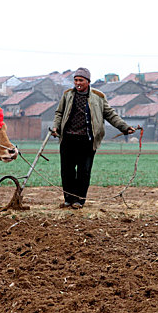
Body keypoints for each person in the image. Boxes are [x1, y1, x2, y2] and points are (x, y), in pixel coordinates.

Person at [52, 67, 135, 209]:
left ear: (88, 82)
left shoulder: (98, 97)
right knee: (67, 171)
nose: (78, 83)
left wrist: (124, 127)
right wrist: (56, 127)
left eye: (81, 80)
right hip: (68, 139)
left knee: (84, 172)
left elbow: (110, 114)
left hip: (88, 141)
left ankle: (79, 200)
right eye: (76, 80)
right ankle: (68, 199)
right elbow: (59, 113)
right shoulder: (67, 95)